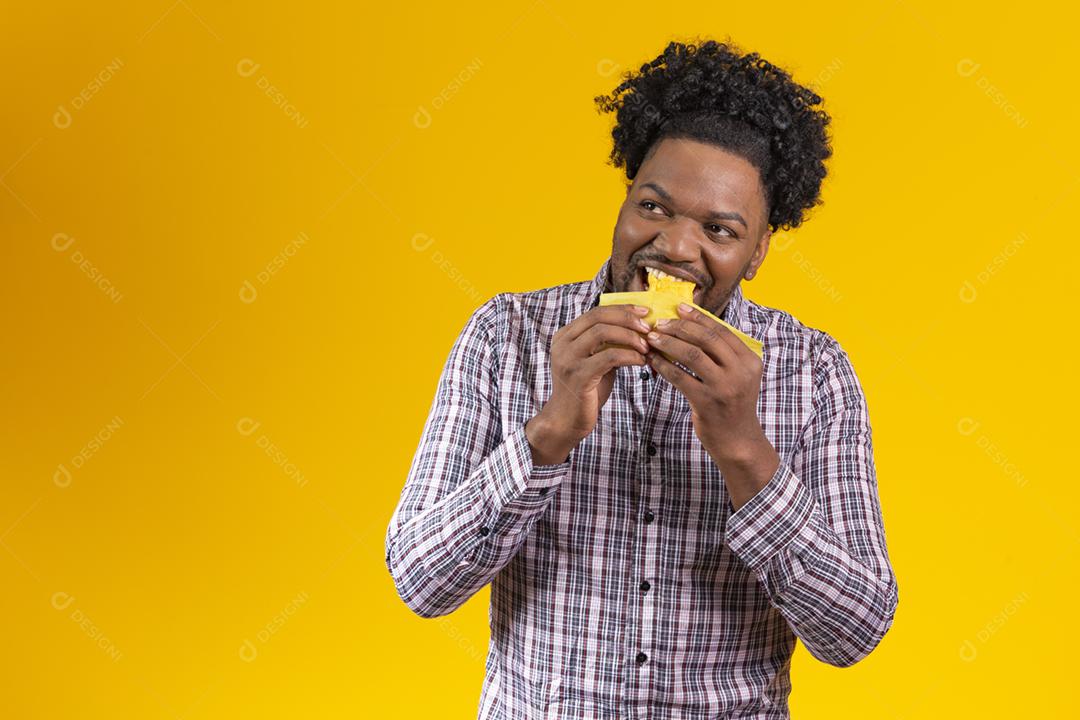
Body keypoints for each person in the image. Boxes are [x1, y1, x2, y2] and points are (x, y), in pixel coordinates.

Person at [385, 37, 898, 719]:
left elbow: (854, 633)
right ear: (626, 200)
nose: (676, 246)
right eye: (654, 207)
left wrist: (745, 449)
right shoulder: (506, 336)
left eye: (719, 229)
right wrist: (547, 436)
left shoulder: (814, 371)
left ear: (757, 252)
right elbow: (421, 584)